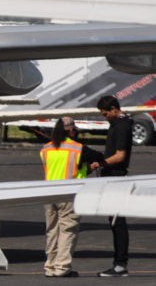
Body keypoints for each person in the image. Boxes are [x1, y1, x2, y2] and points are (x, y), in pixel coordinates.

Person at [39, 116, 101, 278]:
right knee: (68, 229)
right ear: (70, 130)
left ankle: (50, 266)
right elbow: (99, 157)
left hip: (48, 193)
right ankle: (62, 267)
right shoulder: (78, 148)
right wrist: (90, 167)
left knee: (52, 231)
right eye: (75, 128)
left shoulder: (45, 148)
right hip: (69, 193)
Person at [94, 95, 132, 277]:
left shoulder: (122, 127)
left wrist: (100, 163)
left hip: (116, 177)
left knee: (118, 222)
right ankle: (119, 263)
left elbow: (120, 155)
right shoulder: (117, 124)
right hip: (111, 176)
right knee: (115, 221)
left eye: (105, 114)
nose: (105, 117)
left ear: (114, 109)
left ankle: (120, 264)